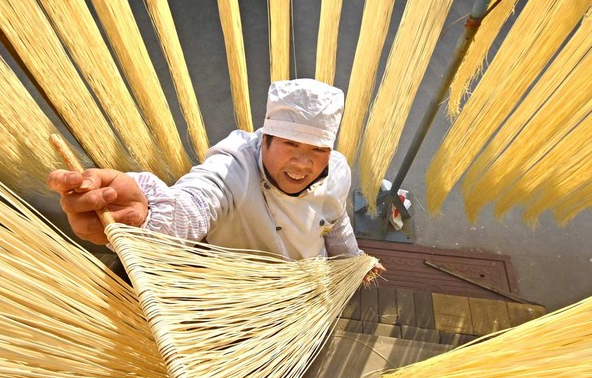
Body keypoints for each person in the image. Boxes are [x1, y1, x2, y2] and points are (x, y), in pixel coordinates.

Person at [48, 79, 384, 278]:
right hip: (238, 291)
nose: (302, 162)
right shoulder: (233, 166)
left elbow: (336, 223)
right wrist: (145, 216)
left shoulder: (337, 168)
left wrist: (353, 263)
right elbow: (194, 206)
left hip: (306, 288)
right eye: (290, 143)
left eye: (316, 149)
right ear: (264, 138)